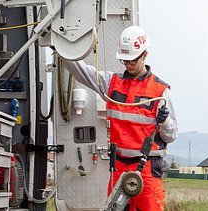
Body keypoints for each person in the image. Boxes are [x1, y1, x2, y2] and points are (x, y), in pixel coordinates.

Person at [63, 25, 177, 211]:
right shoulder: (112, 83)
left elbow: (171, 136)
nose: (129, 64)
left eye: (132, 60)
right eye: (125, 60)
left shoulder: (160, 92)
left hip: (147, 169)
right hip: (119, 167)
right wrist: (62, 48)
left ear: (144, 54)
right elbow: (82, 72)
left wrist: (165, 121)